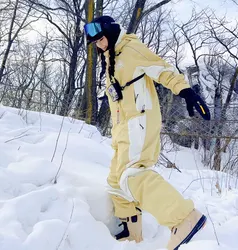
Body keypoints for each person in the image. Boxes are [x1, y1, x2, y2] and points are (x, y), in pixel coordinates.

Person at [84, 16, 210, 250]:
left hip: (140, 122)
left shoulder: (131, 48)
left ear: (110, 34)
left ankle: (184, 218)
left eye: (100, 39)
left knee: (131, 176)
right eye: (95, 43)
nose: (99, 45)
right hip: (122, 128)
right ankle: (132, 235)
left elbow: (162, 69)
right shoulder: (112, 56)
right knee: (115, 181)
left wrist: (186, 91)